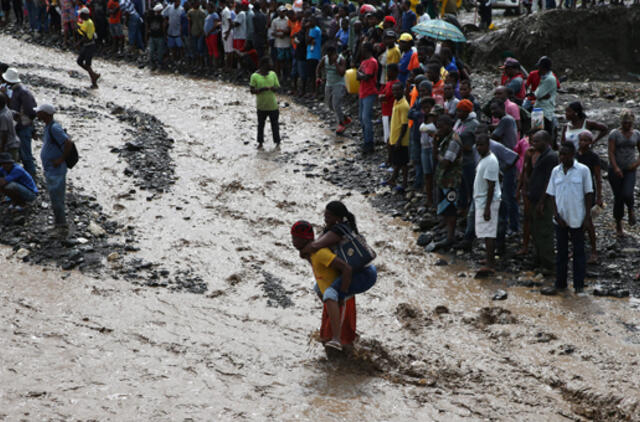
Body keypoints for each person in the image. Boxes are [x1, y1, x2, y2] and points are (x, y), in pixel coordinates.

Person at [293, 202, 377, 351]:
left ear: (338, 218)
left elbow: (314, 246)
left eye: (328, 216)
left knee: (332, 294)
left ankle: (337, 339)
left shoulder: (338, 231)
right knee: (319, 289)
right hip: (355, 272)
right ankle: (339, 325)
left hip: (363, 274)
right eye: (325, 216)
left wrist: (342, 293)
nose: (325, 219)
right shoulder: (333, 229)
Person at [544, 142, 593, 295]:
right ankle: (561, 283)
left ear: (573, 154)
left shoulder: (583, 170)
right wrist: (556, 214)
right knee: (561, 253)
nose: (562, 157)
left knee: (579, 253)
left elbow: (588, 193)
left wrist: (587, 218)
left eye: (565, 154)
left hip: (577, 217)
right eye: (561, 154)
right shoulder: (555, 171)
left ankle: (579, 285)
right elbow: (552, 194)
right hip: (561, 219)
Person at [36, 104, 72, 232]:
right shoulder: (49, 126)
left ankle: (61, 224)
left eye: (39, 112)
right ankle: (59, 222)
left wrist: (60, 159)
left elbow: (68, 142)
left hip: (56, 169)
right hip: (51, 168)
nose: (37, 114)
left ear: (45, 114)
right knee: (54, 196)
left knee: (57, 197)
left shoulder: (54, 128)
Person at [527, 130, 558, 274]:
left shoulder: (551, 157)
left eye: (536, 141)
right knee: (535, 229)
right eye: (533, 141)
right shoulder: (539, 156)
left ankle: (549, 264)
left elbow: (548, 181)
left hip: (543, 200)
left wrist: (541, 201)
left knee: (544, 231)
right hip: (535, 197)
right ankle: (538, 259)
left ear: (545, 142)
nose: (533, 144)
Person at [607, 109, 640, 236]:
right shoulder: (614, 134)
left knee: (627, 193)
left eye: (629, 123)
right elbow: (611, 152)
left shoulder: (636, 134)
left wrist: (636, 164)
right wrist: (615, 168)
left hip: (630, 169)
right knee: (618, 198)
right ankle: (619, 225)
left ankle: (631, 209)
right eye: (625, 123)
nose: (627, 125)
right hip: (615, 169)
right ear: (621, 122)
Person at [2, 67, 37, 177]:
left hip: (23, 127)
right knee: (21, 154)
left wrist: (23, 121)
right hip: (18, 126)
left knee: (26, 154)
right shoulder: (13, 90)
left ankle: (31, 176)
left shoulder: (23, 92)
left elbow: (31, 111)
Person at [473, 133, 501, 273]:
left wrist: (487, 208)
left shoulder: (491, 161)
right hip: (482, 199)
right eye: (477, 144)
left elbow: (491, 186)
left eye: (481, 145)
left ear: (488, 145)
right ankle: (489, 259)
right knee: (485, 232)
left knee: (489, 233)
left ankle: (491, 264)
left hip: (487, 202)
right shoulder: (484, 159)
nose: (478, 147)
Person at [434, 114, 463, 249]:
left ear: (448, 126)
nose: (438, 129)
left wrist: (438, 156)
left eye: (440, 127)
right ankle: (447, 233)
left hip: (451, 180)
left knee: (450, 208)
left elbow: (446, 162)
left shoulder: (453, 140)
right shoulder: (445, 138)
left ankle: (450, 237)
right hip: (445, 179)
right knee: (445, 206)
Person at [576, 131, 602, 264]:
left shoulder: (593, 157)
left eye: (586, 140)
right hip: (575, 191)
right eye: (581, 140)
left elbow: (598, 178)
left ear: (591, 142)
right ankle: (577, 248)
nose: (583, 143)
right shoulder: (574, 155)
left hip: (588, 191)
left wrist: (599, 196)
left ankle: (594, 251)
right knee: (575, 221)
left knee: (588, 221)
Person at [453, 99, 479, 214]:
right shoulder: (459, 122)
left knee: (470, 184)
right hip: (459, 159)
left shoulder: (474, 124)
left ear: (467, 112)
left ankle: (472, 209)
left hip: (470, 159)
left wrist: (466, 147)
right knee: (461, 184)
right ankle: (462, 206)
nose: (458, 114)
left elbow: (478, 142)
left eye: (460, 111)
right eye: (457, 111)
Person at [316, 46, 349, 134]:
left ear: (335, 53)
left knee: (336, 104)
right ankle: (344, 117)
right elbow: (318, 67)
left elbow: (342, 73)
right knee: (329, 104)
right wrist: (318, 77)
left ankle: (341, 124)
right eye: (328, 55)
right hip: (329, 84)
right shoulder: (325, 59)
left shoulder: (341, 60)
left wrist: (335, 63)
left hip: (339, 84)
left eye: (331, 55)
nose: (330, 57)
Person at [249, 57, 280, 149]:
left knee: (275, 125)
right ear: (264, 65)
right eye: (269, 63)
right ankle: (260, 142)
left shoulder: (273, 74)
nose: (271, 64)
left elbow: (277, 87)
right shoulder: (254, 76)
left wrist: (274, 89)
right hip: (261, 106)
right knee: (261, 125)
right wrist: (260, 90)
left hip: (273, 105)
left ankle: (277, 142)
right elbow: (252, 90)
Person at [386, 82, 410, 191]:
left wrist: (399, 140)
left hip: (402, 140)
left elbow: (405, 124)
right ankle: (393, 178)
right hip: (394, 136)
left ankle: (404, 183)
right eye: (393, 90)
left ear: (403, 90)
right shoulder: (396, 101)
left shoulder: (404, 105)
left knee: (403, 162)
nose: (395, 92)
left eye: (397, 90)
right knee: (397, 160)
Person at [356, 42, 378, 154]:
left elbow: (367, 77)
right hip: (362, 92)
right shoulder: (364, 62)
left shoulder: (372, 62)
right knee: (361, 118)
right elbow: (358, 76)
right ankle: (366, 141)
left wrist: (360, 75)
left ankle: (369, 143)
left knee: (366, 118)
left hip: (369, 92)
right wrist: (361, 75)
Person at [533, 56, 557, 139]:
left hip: (544, 111)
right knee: (536, 133)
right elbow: (537, 94)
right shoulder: (545, 77)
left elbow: (538, 94)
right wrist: (540, 95)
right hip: (539, 109)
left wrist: (539, 96)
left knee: (543, 135)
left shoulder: (548, 79)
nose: (538, 70)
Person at [76, 7, 100, 89]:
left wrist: (79, 42)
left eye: (81, 14)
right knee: (79, 61)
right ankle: (93, 74)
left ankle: (94, 82)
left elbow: (88, 37)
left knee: (87, 64)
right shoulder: (85, 22)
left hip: (90, 45)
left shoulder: (89, 23)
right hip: (86, 45)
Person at [379, 63, 399, 151]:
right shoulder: (388, 83)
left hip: (390, 112)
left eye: (389, 71)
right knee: (387, 134)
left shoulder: (395, 84)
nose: (387, 73)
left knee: (389, 136)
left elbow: (385, 96)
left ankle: (390, 158)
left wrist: (381, 97)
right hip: (385, 111)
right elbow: (381, 94)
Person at [270, 6, 290, 80]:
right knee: (279, 61)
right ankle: (279, 75)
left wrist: (284, 33)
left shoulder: (288, 20)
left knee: (287, 61)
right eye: (281, 12)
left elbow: (289, 30)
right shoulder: (275, 21)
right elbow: (272, 32)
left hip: (287, 43)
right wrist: (278, 35)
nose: (283, 13)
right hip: (278, 44)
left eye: (284, 12)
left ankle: (286, 75)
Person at [305, 15, 322, 97]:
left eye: (311, 21)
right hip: (310, 54)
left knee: (314, 75)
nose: (309, 23)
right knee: (311, 75)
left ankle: (316, 92)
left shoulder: (315, 29)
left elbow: (307, 40)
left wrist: (307, 29)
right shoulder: (311, 29)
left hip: (315, 55)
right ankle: (312, 91)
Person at [0, 92, 19, 162]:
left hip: (8, 146)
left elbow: (4, 133)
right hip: (12, 143)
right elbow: (17, 114)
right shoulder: (6, 109)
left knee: (9, 167)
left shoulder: (3, 116)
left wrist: (1, 149)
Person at [187, 0, 206, 68]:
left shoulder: (202, 12)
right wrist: (189, 32)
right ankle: (197, 63)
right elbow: (189, 23)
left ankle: (202, 63)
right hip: (193, 32)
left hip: (201, 32)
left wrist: (203, 32)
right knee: (195, 49)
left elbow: (204, 23)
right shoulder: (190, 12)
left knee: (200, 48)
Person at [147, 4, 166, 70]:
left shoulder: (161, 17)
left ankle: (159, 63)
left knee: (159, 51)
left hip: (159, 36)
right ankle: (153, 63)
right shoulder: (151, 17)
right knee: (152, 51)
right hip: (153, 36)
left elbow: (164, 26)